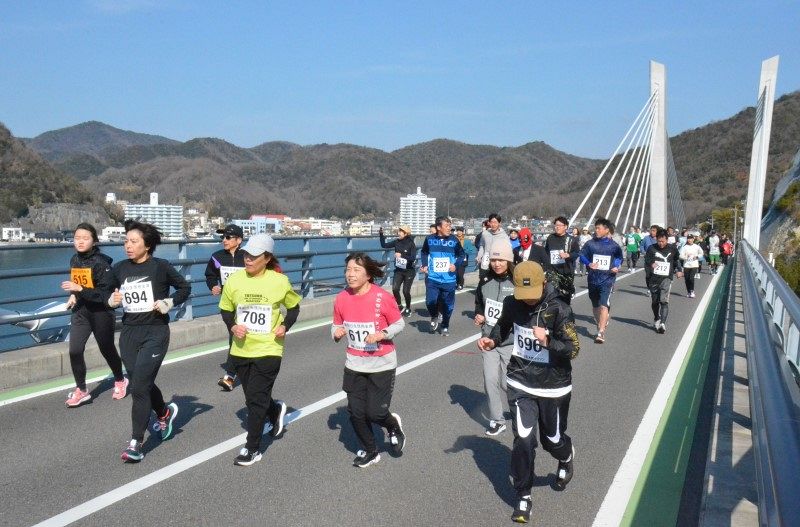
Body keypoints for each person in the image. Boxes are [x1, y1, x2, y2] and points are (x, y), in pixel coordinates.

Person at [477, 261, 580, 523]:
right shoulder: (513, 303)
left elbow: (574, 349)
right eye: (523, 295)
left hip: (554, 386)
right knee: (523, 439)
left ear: (543, 283)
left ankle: (566, 456)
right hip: (521, 381)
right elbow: (502, 327)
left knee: (552, 440)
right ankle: (523, 495)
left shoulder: (560, 308)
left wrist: (548, 341)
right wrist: (493, 340)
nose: (528, 301)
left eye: (532, 294)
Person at [108, 220, 191, 463]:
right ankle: (164, 412)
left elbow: (184, 287)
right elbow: (104, 291)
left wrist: (170, 302)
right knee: (140, 381)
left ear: (148, 245)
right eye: (125, 241)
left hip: (155, 332)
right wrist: (111, 300)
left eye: (133, 242)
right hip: (129, 334)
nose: (127, 246)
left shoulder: (160, 267)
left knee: (139, 388)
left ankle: (136, 442)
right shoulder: (120, 268)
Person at [218, 234, 300, 466]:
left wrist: (285, 326)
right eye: (246, 254)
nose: (248, 259)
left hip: (269, 348)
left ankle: (252, 448)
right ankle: (274, 411)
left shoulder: (279, 281)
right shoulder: (235, 281)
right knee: (254, 397)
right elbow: (225, 309)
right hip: (242, 349)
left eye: (254, 256)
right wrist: (233, 326)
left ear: (267, 258)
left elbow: (293, 308)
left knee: (254, 400)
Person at [331, 253, 407, 467]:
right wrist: (336, 333)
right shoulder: (342, 298)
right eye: (347, 269)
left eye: (356, 270)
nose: (350, 274)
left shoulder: (382, 297)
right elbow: (336, 324)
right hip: (354, 363)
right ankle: (370, 450)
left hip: (381, 363)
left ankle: (391, 424)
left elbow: (399, 324)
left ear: (368, 274)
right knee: (355, 412)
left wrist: (382, 334)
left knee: (376, 412)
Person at [60, 222, 127, 408]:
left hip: (100, 312)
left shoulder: (102, 264)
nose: (80, 242)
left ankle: (120, 379)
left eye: (85, 238)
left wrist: (79, 288)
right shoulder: (74, 259)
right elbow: (76, 283)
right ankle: (81, 390)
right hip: (81, 311)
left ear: (94, 241)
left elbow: (104, 296)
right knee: (74, 350)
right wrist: (73, 295)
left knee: (106, 348)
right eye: (77, 238)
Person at [473, 242, 515, 436]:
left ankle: (520, 411)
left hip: (510, 340)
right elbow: (479, 303)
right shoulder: (485, 279)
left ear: (509, 260)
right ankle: (497, 420)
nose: (497, 264)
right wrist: (479, 315)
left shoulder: (516, 281)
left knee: (508, 384)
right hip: (488, 339)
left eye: (501, 260)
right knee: (490, 380)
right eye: (494, 260)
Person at [205, 224, 246, 392]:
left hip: (248, 304)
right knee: (234, 336)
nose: (224, 240)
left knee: (243, 337)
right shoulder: (217, 257)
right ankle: (230, 376)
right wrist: (213, 286)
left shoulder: (248, 257)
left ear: (239, 240)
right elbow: (210, 275)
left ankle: (237, 371)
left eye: (228, 237)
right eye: (223, 237)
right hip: (228, 304)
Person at [579, 218, 623, 344]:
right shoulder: (590, 244)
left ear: (606, 230)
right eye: (595, 228)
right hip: (593, 279)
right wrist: (589, 263)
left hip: (607, 279)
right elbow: (581, 255)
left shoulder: (614, 246)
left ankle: (601, 332)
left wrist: (616, 266)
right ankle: (600, 323)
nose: (596, 230)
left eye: (598, 228)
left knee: (604, 305)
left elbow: (619, 257)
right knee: (595, 305)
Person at [420, 216, 465, 337]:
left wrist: (455, 265)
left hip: (449, 279)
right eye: (447, 226)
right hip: (433, 277)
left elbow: (462, 255)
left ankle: (445, 325)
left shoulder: (454, 240)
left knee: (448, 305)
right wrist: (424, 265)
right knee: (430, 301)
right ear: (439, 227)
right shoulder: (429, 239)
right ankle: (434, 316)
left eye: (450, 226)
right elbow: (424, 252)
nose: (450, 228)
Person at [644, 229, 683, 334]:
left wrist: (679, 270)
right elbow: (646, 260)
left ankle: (662, 323)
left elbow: (676, 260)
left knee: (664, 300)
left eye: (663, 241)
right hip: (653, 278)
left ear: (667, 239)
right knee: (655, 301)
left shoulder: (672, 248)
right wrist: (651, 263)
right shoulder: (651, 248)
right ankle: (657, 318)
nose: (661, 243)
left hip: (666, 278)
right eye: (659, 241)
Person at [379, 225, 417, 315]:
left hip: (409, 271)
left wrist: (401, 256)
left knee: (406, 291)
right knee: (395, 289)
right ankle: (399, 306)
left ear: (406, 233)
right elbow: (384, 245)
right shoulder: (397, 242)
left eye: (401, 231)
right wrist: (381, 235)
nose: (398, 233)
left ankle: (408, 307)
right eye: (398, 231)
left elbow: (413, 258)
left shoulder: (411, 243)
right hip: (399, 270)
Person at [544, 216, 580, 304]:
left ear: (566, 227)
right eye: (556, 225)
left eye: (560, 225)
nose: (557, 227)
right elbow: (546, 253)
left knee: (565, 300)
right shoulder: (550, 238)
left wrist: (569, 255)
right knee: (550, 295)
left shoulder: (571, 240)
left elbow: (577, 253)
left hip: (566, 272)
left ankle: (564, 315)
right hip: (552, 272)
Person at [477, 214, 510, 281]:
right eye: (491, 222)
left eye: (495, 222)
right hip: (485, 261)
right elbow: (482, 246)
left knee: (495, 281)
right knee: (483, 280)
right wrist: (479, 256)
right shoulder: (485, 234)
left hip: (497, 263)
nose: (493, 224)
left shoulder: (504, 236)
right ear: (489, 223)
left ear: (499, 223)